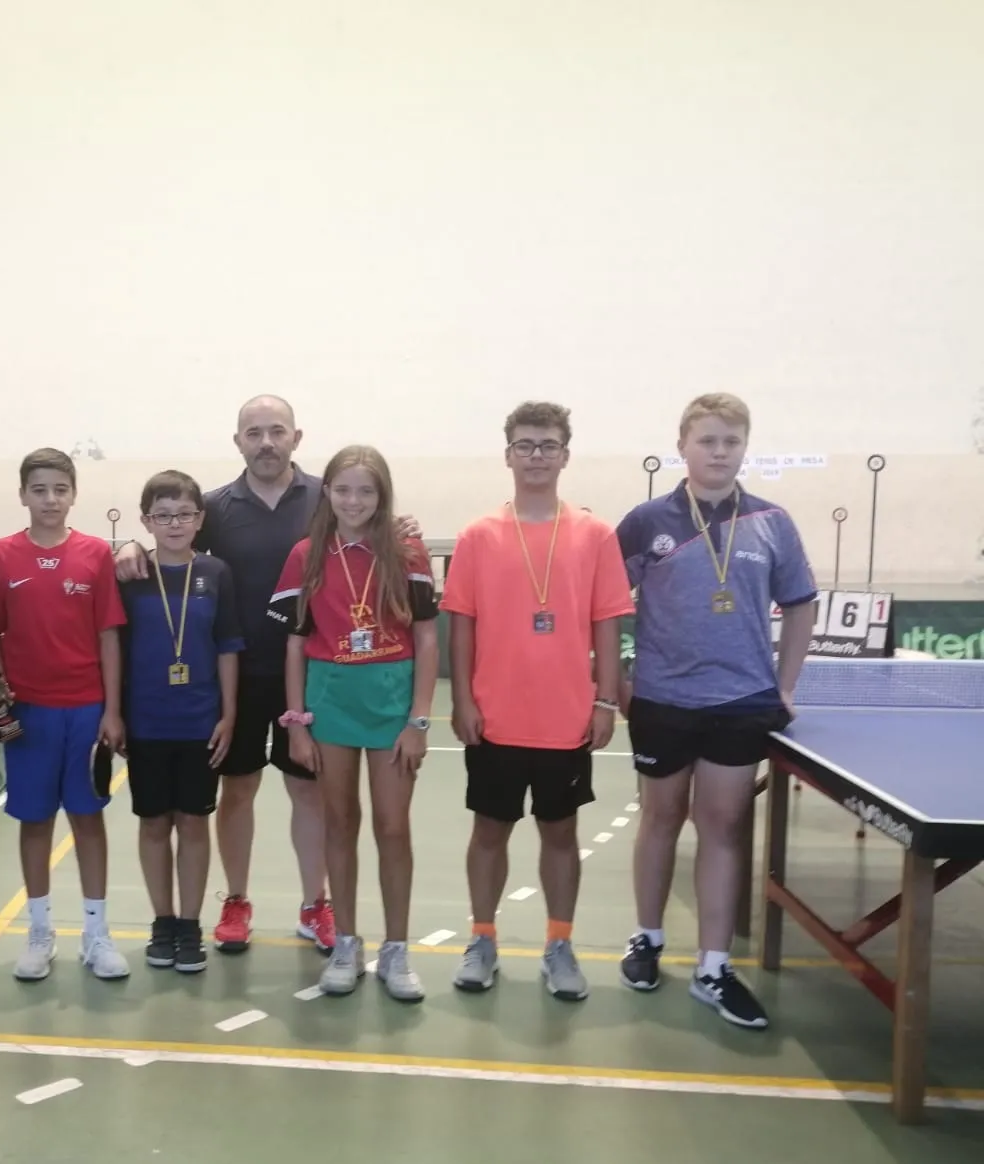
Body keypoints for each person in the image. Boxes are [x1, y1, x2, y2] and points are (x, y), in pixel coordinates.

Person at [116, 394, 420, 957]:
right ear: (238, 442)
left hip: (313, 673)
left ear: (296, 438)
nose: (266, 443)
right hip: (236, 674)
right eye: (253, 433)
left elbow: (373, 524)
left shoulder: (326, 498)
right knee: (238, 788)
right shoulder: (214, 507)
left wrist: (400, 527)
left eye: (276, 431)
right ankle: (236, 900)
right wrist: (130, 545)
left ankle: (315, 904)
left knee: (309, 791)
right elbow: (170, 540)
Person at [615, 393, 816, 1029]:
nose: (720, 452)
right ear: (682, 445)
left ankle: (713, 967)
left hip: (742, 702)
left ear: (744, 447)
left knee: (723, 827)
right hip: (663, 700)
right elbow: (604, 603)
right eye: (707, 440)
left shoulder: (772, 522)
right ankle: (647, 938)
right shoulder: (647, 521)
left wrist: (786, 686)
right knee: (660, 819)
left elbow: (802, 603)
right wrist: (615, 677)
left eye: (731, 441)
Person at [441, 402, 635, 1002]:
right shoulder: (477, 536)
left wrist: (606, 703)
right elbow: (462, 626)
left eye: (548, 445)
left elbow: (608, 623)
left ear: (565, 456)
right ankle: (482, 939)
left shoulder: (596, 535)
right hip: (494, 717)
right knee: (489, 831)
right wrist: (464, 699)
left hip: (566, 719)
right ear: (508, 455)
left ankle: (559, 945)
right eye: (525, 445)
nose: (536, 456)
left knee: (561, 833)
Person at [271, 445, 438, 1001]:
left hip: (391, 703)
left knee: (393, 826)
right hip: (331, 702)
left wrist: (418, 721)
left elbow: (426, 638)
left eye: (366, 490)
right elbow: (295, 645)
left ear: (382, 495)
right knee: (339, 822)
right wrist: (297, 723)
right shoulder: (306, 555)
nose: (354, 500)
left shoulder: (407, 551)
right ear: (327, 492)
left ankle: (397, 949)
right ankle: (346, 942)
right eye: (343, 489)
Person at [0, 448, 129, 981]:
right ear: (23, 495)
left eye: (60, 489)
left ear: (73, 494)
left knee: (88, 819)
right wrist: (0, 687)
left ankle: (96, 934)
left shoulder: (95, 554)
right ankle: (39, 932)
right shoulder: (0, 556)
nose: (50, 499)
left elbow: (109, 637)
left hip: (85, 711)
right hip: (30, 714)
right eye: (39, 489)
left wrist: (112, 711)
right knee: (35, 821)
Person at [117, 470, 244, 973]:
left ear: (200, 519)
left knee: (193, 822)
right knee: (153, 823)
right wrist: (115, 713)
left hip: (200, 723)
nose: (174, 524)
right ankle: (163, 921)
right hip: (145, 723)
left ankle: (190, 924)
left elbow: (228, 647)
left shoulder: (216, 573)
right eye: (163, 515)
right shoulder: (131, 575)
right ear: (146, 520)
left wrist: (228, 714)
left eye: (184, 514)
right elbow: (114, 649)